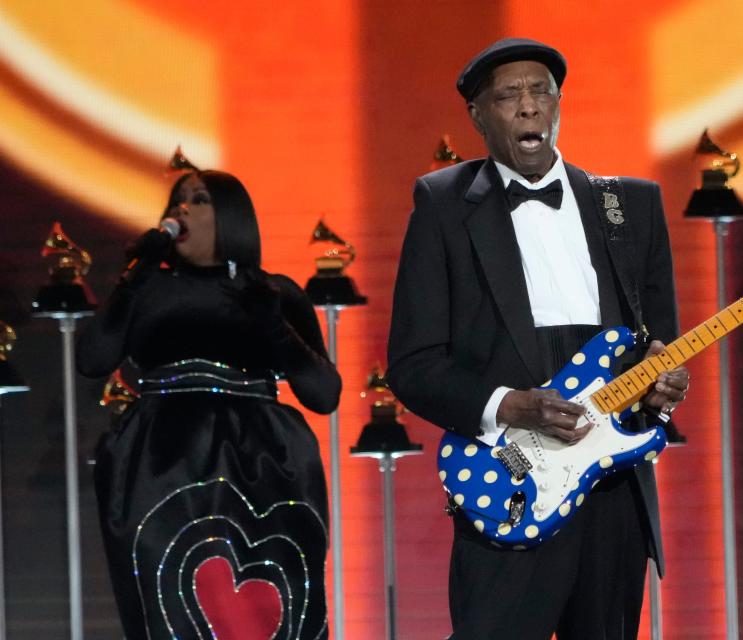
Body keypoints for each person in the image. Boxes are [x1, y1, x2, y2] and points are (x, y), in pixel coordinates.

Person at [387, 38, 690, 639]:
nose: (528, 107)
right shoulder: (443, 204)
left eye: (541, 92)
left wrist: (664, 388)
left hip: (612, 484)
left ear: (558, 105)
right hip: (511, 474)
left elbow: (661, 346)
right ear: (477, 115)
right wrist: (510, 405)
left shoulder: (629, 205)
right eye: (508, 96)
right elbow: (414, 364)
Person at [78, 170, 341, 639]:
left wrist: (275, 327)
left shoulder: (274, 291)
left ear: (232, 217)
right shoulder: (148, 288)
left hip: (260, 458)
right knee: (169, 592)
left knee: (270, 595)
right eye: (176, 201)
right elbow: (94, 359)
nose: (180, 209)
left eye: (198, 200)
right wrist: (134, 279)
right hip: (160, 461)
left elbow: (324, 394)